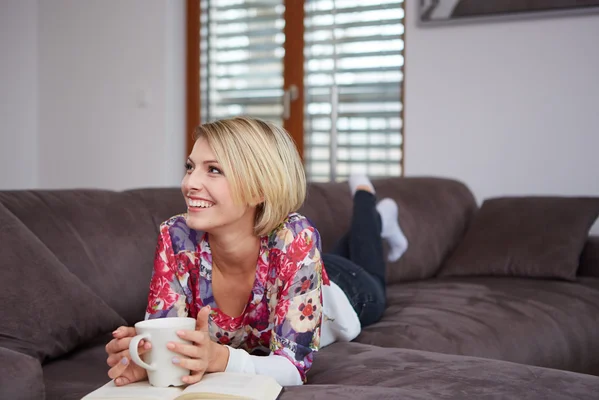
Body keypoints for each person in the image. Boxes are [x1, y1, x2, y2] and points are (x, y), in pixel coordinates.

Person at [104, 117, 408, 388]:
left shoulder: (297, 237)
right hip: (297, 269)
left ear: (259, 189)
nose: (188, 183)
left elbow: (292, 368)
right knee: (338, 250)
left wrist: (221, 359)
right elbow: (171, 340)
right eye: (190, 167)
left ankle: (369, 202)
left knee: (371, 268)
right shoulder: (176, 236)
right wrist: (147, 359)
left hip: (343, 290)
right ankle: (378, 218)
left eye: (213, 170)